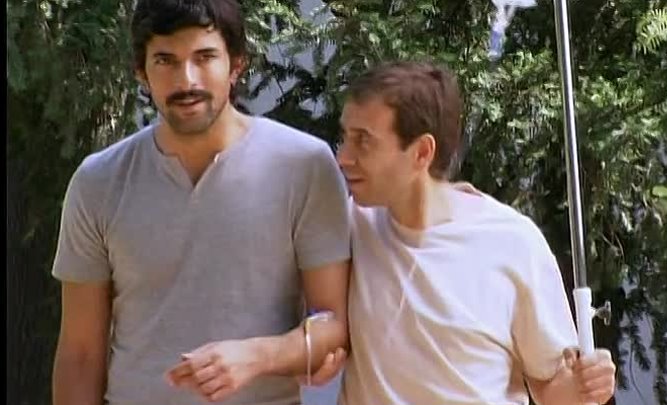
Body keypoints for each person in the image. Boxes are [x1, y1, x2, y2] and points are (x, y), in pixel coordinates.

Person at [179, 61, 617, 404]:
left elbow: (551, 389)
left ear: (421, 152)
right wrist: (302, 358)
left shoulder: (512, 242)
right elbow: (317, 329)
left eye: (363, 140)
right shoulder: (350, 225)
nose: (343, 157)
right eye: (345, 137)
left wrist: (586, 386)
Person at [50, 1, 350, 404]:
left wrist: (257, 356)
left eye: (205, 57)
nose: (186, 79)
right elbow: (80, 354)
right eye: (165, 60)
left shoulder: (304, 165)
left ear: (236, 64)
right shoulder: (98, 181)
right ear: (141, 72)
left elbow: (333, 323)